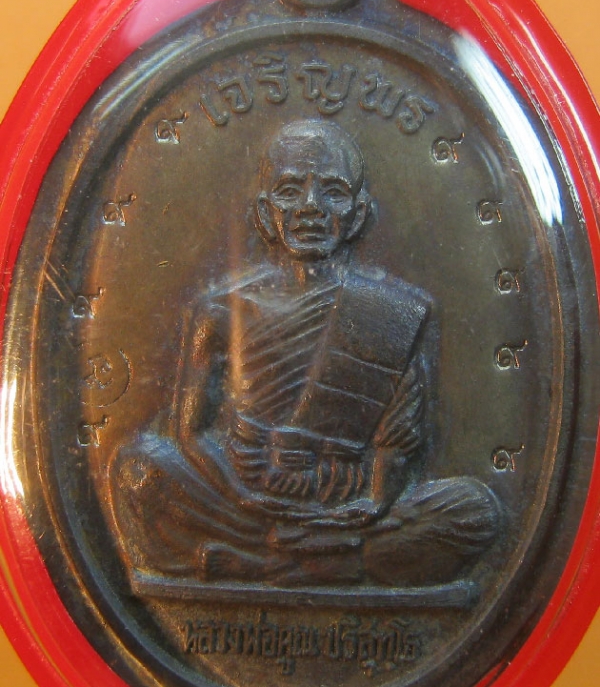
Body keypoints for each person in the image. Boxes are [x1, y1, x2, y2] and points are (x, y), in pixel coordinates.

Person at [109, 119, 499, 587]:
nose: (311, 207)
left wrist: (373, 503)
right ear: (264, 213)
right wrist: (242, 495)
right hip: (243, 499)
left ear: (358, 214)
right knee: (138, 469)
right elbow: (191, 434)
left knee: (473, 511)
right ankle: (328, 563)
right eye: (290, 190)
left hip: (348, 504)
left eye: (333, 192)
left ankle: (261, 564)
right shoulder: (221, 313)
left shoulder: (391, 313)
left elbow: (396, 442)